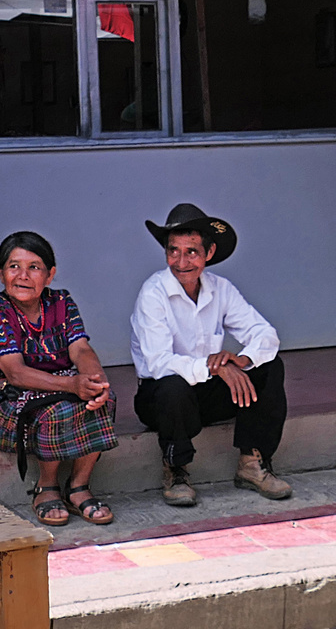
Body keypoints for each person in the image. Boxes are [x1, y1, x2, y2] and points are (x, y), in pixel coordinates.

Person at [130, 202, 290, 506]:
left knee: (269, 367)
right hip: (161, 400)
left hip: (206, 396)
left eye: (191, 251)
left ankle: (252, 464)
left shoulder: (221, 289)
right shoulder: (153, 293)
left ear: (209, 253)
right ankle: (176, 469)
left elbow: (265, 334)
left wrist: (241, 361)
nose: (181, 261)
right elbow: (158, 362)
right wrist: (215, 368)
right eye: (173, 251)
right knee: (172, 385)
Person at [0, 230, 117, 526]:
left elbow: (80, 347)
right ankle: (46, 486)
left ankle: (79, 486)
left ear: (50, 275)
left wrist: (96, 382)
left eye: (34, 267)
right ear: (1, 273)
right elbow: (14, 372)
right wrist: (72, 384)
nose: (23, 275)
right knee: (55, 409)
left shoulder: (61, 302)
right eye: (14, 266)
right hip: (7, 404)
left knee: (103, 400)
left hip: (58, 388)